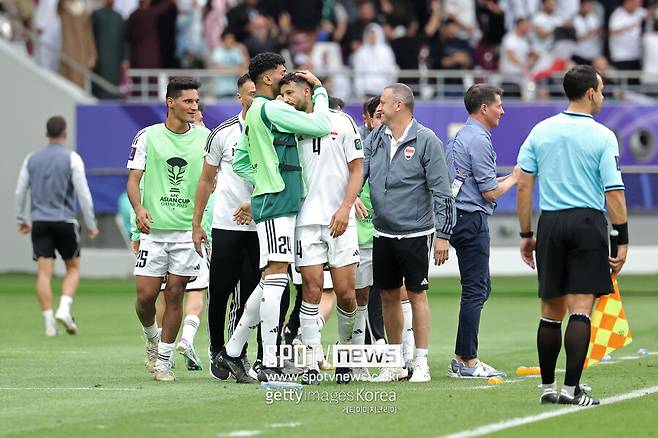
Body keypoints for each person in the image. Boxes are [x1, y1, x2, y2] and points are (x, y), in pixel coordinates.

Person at [516, 65, 628, 406]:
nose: (604, 96)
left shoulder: (541, 130)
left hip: (550, 222)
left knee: (550, 311)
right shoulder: (603, 135)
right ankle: (571, 390)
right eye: (602, 90)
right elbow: (614, 192)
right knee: (580, 310)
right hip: (587, 223)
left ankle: (548, 388)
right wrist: (621, 237)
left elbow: (523, 184)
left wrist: (526, 232)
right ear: (591, 92)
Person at [215, 53, 332, 383]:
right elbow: (322, 125)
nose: (286, 75)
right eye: (282, 72)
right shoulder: (272, 108)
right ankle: (268, 361)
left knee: (271, 277)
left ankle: (234, 352)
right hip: (278, 201)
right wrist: (319, 89)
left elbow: (240, 161)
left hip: (275, 199)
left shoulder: (255, 112)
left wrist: (261, 177)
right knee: (277, 277)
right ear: (267, 78)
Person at [364, 83, 455, 383]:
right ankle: (394, 363)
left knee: (417, 294)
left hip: (416, 232)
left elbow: (442, 191)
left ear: (399, 105)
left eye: (384, 101)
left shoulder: (427, 140)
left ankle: (422, 361)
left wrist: (443, 234)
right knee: (388, 296)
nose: (379, 105)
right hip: (382, 232)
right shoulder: (377, 137)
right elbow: (359, 168)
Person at [279, 73, 364, 384]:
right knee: (311, 291)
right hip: (304, 220)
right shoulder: (287, 125)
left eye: (290, 92)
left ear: (307, 91)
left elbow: (357, 168)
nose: (286, 98)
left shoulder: (341, 122)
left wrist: (345, 208)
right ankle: (311, 363)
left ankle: (345, 357)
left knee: (345, 294)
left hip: (340, 219)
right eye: (282, 93)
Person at [126, 77, 210, 382]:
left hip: (187, 233)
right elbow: (133, 180)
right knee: (146, 296)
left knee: (175, 294)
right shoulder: (147, 136)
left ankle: (162, 361)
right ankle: (151, 336)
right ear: (170, 102)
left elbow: (211, 182)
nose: (194, 106)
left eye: (196, 101)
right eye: (188, 101)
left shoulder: (205, 138)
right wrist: (139, 209)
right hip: (154, 232)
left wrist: (201, 223)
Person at [445, 84, 520, 379]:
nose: (502, 110)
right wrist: (515, 179)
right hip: (471, 219)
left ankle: (463, 355)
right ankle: (465, 359)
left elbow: (477, 182)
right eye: (499, 105)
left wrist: (507, 177)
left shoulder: (461, 137)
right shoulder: (479, 140)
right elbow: (489, 192)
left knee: (480, 287)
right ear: (484, 108)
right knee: (476, 289)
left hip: (458, 216)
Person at [193, 73, 263, 380]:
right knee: (219, 290)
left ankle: (238, 354)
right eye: (250, 93)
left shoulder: (273, 130)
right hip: (226, 224)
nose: (255, 98)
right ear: (239, 97)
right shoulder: (222, 134)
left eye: (259, 93)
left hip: (261, 225)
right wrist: (197, 223)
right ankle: (215, 349)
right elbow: (206, 180)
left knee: (249, 295)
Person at [15, 116, 99, 337]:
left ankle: (49, 323)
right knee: (72, 268)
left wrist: (21, 219)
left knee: (44, 273)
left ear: (46, 134)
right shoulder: (72, 158)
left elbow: (20, 191)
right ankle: (64, 308)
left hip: (40, 222)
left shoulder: (31, 159)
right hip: (65, 221)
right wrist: (91, 223)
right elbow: (83, 193)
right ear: (65, 134)